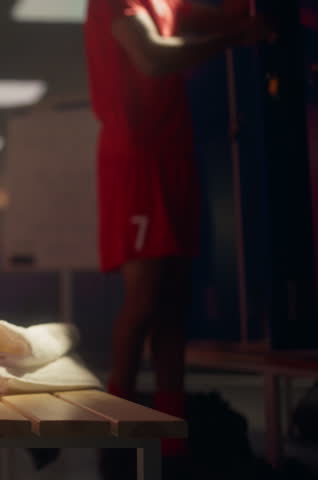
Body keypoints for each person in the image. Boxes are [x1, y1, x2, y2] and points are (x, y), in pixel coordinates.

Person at [84, 0, 270, 463]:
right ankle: (114, 436)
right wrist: (233, 37)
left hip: (174, 153)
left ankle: (172, 439)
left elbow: (219, 15)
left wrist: (244, 21)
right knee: (144, 297)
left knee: (173, 302)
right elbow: (153, 57)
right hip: (137, 156)